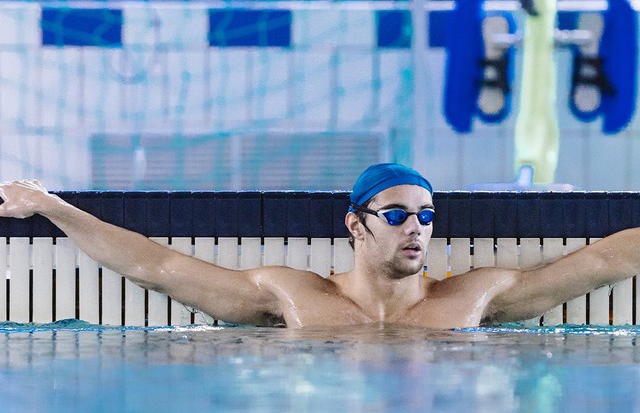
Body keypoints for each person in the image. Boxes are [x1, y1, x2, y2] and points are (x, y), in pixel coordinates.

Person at [0, 163, 634, 328]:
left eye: (426, 216)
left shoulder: (478, 295)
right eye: (396, 215)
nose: (415, 228)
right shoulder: (291, 294)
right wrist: (51, 206)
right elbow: (157, 266)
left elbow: (604, 260)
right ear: (355, 224)